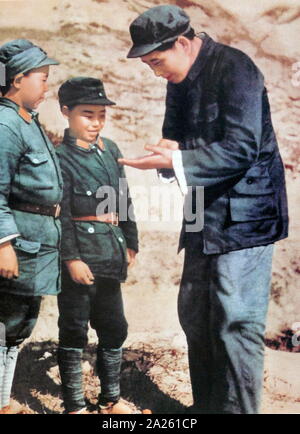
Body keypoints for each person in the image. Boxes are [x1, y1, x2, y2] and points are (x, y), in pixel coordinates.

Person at [121, 5, 289, 414]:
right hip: (203, 214)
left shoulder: (236, 69)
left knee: (235, 322)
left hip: (247, 218)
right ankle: (209, 407)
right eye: (147, 65)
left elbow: (242, 149)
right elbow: (176, 139)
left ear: (182, 42)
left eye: (156, 61)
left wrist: (175, 161)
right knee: (195, 317)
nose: (154, 72)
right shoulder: (177, 78)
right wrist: (169, 151)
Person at [56, 77, 140, 414]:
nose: (96, 122)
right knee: (74, 328)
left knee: (114, 326)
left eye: (101, 115)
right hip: (80, 256)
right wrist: (72, 259)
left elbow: (124, 199)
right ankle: (74, 405)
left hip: (110, 252)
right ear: (66, 112)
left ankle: (110, 400)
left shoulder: (111, 151)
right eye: (87, 114)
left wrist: (131, 242)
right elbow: (59, 214)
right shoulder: (59, 157)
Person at [0, 39, 62, 414]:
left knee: (17, 328)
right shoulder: (6, 123)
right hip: (16, 244)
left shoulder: (27, 120)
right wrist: (3, 243)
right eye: (43, 78)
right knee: (4, 326)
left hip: (34, 245)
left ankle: (3, 401)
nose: (47, 86)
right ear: (19, 79)